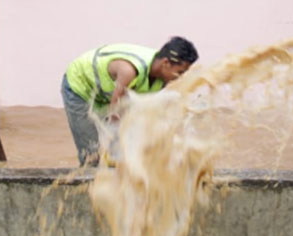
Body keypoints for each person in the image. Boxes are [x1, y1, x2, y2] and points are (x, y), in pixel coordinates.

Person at [61, 37, 199, 166]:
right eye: (180, 72)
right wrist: (118, 152)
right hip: (79, 87)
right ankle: (88, 185)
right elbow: (114, 116)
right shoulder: (128, 71)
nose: (181, 78)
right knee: (91, 154)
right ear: (166, 63)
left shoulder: (163, 77)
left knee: (128, 155)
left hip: (106, 92)